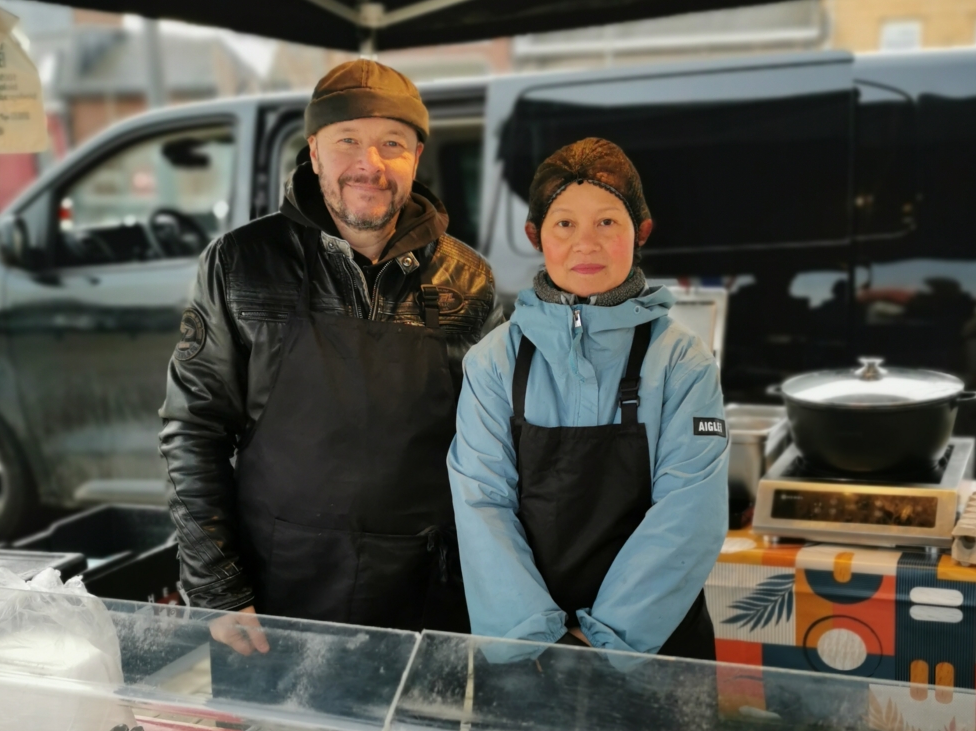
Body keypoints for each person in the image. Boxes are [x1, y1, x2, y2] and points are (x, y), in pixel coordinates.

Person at [159, 59, 500, 653]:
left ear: (416, 157)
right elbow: (194, 429)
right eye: (348, 141)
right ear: (314, 151)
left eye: (391, 143)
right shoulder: (240, 265)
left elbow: (495, 451)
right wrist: (216, 585)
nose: (369, 164)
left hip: (426, 597)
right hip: (272, 598)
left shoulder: (468, 281)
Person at [447, 138, 728, 658]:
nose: (586, 243)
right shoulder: (492, 363)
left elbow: (689, 513)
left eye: (607, 222)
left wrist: (609, 639)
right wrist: (538, 637)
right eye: (564, 224)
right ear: (536, 236)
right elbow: (481, 503)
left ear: (639, 232)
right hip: (528, 650)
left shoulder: (682, 362)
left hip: (653, 648)